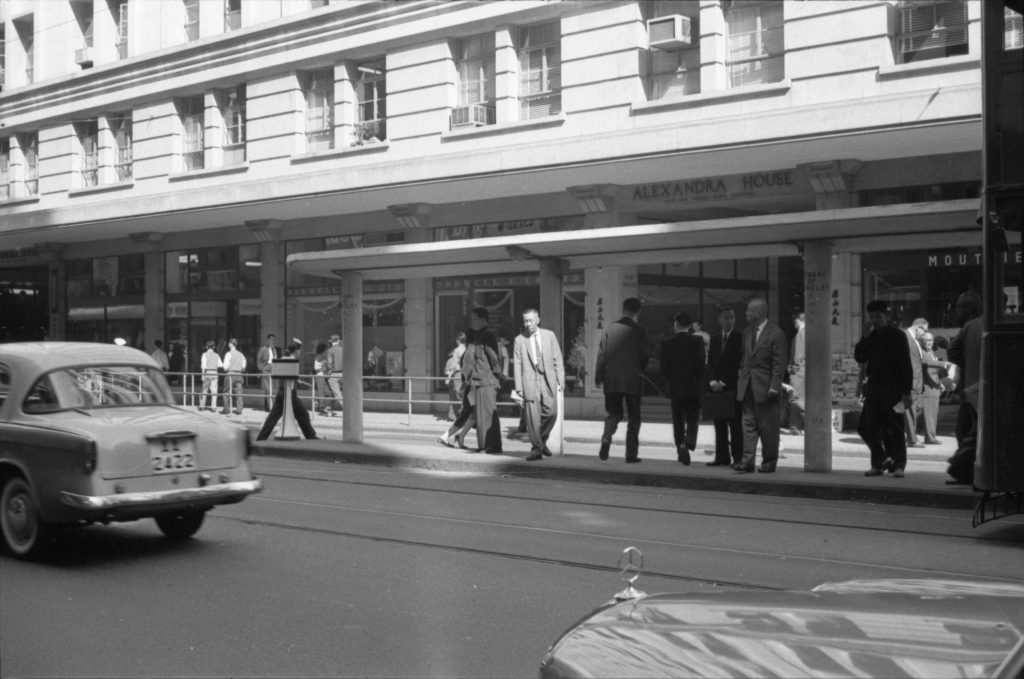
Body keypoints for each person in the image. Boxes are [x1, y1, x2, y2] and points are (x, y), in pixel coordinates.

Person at [855, 300, 914, 478]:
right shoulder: (871, 336)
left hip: (894, 387)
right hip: (874, 387)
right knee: (870, 426)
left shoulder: (897, 335)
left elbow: (905, 364)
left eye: (878, 316)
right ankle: (879, 462)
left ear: (886, 316)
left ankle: (899, 464)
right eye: (871, 317)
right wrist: (864, 337)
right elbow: (860, 357)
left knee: (895, 426)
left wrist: (906, 391)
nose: (874, 320)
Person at [734, 298, 787, 473]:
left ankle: (769, 462)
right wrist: (741, 376)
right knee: (747, 424)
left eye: (749, 311)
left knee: (768, 427)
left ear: (758, 313)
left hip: (766, 387)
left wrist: (774, 386)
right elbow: (744, 359)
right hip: (747, 385)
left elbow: (779, 364)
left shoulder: (776, 334)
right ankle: (747, 461)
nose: (746, 314)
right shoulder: (747, 332)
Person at [595, 297, 650, 464]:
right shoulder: (640, 331)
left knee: (614, 413)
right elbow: (644, 356)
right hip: (633, 379)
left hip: (611, 379)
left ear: (623, 309)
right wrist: (640, 368)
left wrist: (598, 377)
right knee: (634, 418)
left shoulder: (609, 329)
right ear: (638, 311)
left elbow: (602, 355)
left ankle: (606, 438)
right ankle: (630, 455)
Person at [513, 308, 565, 461]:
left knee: (552, 413)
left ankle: (541, 440)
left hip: (547, 380)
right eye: (525, 321)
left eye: (530, 320)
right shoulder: (519, 339)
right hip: (530, 381)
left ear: (538, 320)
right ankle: (536, 449)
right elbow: (517, 364)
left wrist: (561, 379)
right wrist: (518, 388)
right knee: (532, 418)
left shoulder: (549, 336)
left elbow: (557, 358)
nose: (527, 324)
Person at [659, 311, 706, 465]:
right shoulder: (698, 341)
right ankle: (688, 443)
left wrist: (671, 380)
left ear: (676, 324)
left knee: (678, 420)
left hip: (676, 388)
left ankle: (680, 446)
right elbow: (701, 365)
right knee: (693, 418)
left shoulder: (667, 343)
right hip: (693, 388)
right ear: (690, 325)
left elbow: (664, 369)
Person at [946, 292, 982, 485]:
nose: (956, 311)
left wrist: (966, 365)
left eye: (959, 307)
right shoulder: (984, 324)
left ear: (968, 309)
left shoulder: (969, 327)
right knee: (971, 432)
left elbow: (952, 351)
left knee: (967, 432)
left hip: (971, 390)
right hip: (981, 389)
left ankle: (964, 471)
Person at [256, 341, 318, 441]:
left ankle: (261, 438)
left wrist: (302, 382)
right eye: (300, 350)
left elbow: (283, 374)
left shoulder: (283, 359)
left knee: (273, 417)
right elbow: (292, 376)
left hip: (282, 391)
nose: (300, 352)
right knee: (303, 414)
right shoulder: (293, 360)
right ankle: (311, 436)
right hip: (290, 393)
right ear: (297, 351)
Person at [706, 305, 744, 467]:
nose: (730, 320)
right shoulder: (714, 339)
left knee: (735, 425)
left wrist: (723, 382)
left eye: (732, 317)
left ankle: (738, 458)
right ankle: (722, 457)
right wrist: (713, 381)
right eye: (726, 317)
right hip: (716, 388)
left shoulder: (740, 337)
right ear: (719, 320)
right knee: (719, 424)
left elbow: (737, 364)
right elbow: (711, 363)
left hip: (732, 387)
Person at [465, 308, 504, 454]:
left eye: (474, 318)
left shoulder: (488, 334)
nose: (472, 321)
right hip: (479, 381)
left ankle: (493, 446)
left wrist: (496, 379)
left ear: (482, 319)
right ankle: (484, 445)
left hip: (487, 381)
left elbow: (495, 359)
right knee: (481, 417)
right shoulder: (478, 335)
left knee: (489, 415)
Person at [439, 329, 477, 449]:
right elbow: (457, 367)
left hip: (462, 380)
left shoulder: (461, 350)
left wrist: (450, 378)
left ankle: (456, 436)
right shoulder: (469, 350)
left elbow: (455, 367)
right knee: (469, 412)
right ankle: (454, 435)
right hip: (467, 382)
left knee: (468, 412)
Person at [919, 332, 951, 445]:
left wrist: (940, 382)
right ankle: (930, 437)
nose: (929, 343)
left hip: (935, 386)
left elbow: (934, 371)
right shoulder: (922, 352)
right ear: (921, 342)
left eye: (930, 340)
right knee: (929, 414)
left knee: (934, 413)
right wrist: (943, 364)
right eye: (926, 341)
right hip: (927, 387)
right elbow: (928, 363)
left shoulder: (931, 351)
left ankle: (932, 436)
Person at [903, 317, 928, 447]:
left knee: (915, 410)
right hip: (911, 382)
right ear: (917, 327)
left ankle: (911, 437)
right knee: (910, 410)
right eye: (924, 331)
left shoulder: (915, 339)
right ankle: (912, 439)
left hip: (917, 382)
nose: (924, 334)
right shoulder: (905, 337)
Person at [785, 311, 806, 435]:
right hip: (805, 371)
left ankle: (796, 427)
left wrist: (792, 369)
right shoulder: (809, 334)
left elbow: (798, 357)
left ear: (799, 320)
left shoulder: (800, 334)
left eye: (795, 321)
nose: (794, 323)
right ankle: (797, 427)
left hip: (799, 372)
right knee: (801, 399)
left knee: (796, 399)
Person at [443, 333, 467, 421]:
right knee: (465, 396)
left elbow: (453, 367)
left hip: (459, 374)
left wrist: (448, 378)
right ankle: (466, 415)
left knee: (458, 396)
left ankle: (461, 416)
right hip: (467, 374)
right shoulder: (467, 349)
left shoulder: (457, 351)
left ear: (458, 340)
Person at [220, 338, 247, 415]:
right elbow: (244, 365)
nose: (228, 344)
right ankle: (239, 410)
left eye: (229, 343)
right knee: (239, 392)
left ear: (231, 344)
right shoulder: (241, 354)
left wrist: (229, 368)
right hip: (239, 374)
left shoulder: (228, 354)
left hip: (230, 374)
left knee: (226, 392)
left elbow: (225, 366)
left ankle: (226, 409)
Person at [256, 334, 278, 412]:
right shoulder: (263, 349)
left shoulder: (274, 350)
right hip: (267, 369)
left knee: (272, 389)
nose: (273, 341)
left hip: (274, 370)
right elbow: (258, 361)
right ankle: (271, 408)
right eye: (271, 339)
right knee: (269, 390)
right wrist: (262, 369)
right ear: (268, 340)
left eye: (274, 340)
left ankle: (267, 407)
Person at [199, 340, 222, 411]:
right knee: (214, 391)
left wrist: (202, 375)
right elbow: (220, 365)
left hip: (207, 372)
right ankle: (213, 407)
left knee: (204, 390)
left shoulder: (204, 354)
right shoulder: (217, 355)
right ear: (214, 347)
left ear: (206, 347)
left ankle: (202, 406)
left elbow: (203, 366)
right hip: (215, 372)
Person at [325, 334, 344, 415]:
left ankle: (348, 410)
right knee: (334, 393)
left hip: (334, 374)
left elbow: (329, 364)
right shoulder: (343, 349)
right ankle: (330, 409)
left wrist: (328, 373)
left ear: (331, 341)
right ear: (338, 341)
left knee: (337, 393)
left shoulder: (330, 350)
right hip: (343, 374)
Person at [313, 343, 330, 415]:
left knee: (327, 392)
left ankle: (319, 403)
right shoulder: (318, 358)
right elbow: (316, 368)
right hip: (320, 376)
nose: (326, 351)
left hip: (323, 377)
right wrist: (323, 367)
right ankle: (321, 407)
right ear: (323, 351)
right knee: (322, 393)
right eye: (326, 350)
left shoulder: (323, 358)